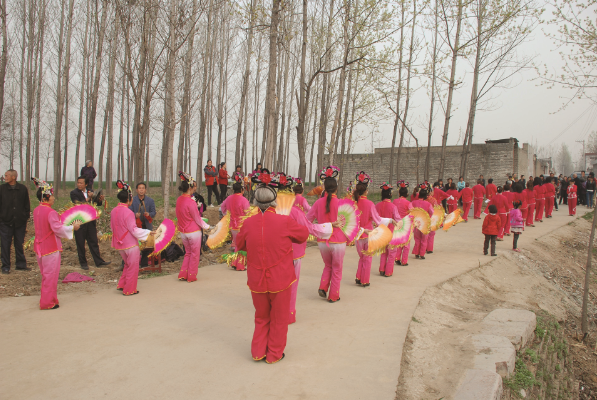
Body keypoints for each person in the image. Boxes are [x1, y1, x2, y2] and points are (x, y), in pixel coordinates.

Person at [236, 175, 309, 364]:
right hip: (280, 278)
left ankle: (258, 351)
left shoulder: (248, 223)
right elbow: (303, 235)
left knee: (261, 316)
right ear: (274, 202)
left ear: (255, 202)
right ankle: (274, 353)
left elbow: (239, 243)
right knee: (279, 318)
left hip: (256, 278)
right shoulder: (284, 222)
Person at [31, 178, 80, 309]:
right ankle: (47, 302)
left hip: (39, 247)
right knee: (50, 276)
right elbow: (57, 229)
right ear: (47, 197)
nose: (53, 197)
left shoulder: (36, 210)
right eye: (52, 195)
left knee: (45, 275)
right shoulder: (51, 212)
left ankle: (50, 299)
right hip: (50, 248)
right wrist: (72, 228)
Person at [307, 166, 346, 303]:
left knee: (328, 265)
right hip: (338, 241)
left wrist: (320, 227)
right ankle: (334, 295)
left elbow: (307, 221)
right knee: (337, 268)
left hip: (323, 241)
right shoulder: (342, 204)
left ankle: (323, 287)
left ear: (324, 187)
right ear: (336, 188)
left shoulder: (317, 203)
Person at [111, 180, 152, 296]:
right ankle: (129, 289)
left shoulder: (114, 211)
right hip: (130, 244)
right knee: (133, 266)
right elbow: (134, 230)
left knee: (127, 264)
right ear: (129, 199)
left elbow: (113, 227)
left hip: (119, 243)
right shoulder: (128, 212)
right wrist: (148, 233)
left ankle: (122, 284)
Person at [176, 171, 212, 282]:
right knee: (195, 254)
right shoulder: (191, 202)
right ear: (190, 187)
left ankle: (183, 273)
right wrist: (207, 227)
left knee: (187, 252)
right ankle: (191, 275)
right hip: (193, 232)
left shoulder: (179, 200)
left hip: (183, 231)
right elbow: (197, 219)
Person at [70, 176, 111, 270]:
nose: (79, 184)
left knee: (93, 241)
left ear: (86, 184)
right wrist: (88, 198)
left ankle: (99, 261)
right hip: (79, 222)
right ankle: (83, 263)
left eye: (81, 183)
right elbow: (78, 204)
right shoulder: (74, 193)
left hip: (90, 221)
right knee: (80, 243)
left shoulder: (90, 191)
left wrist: (99, 199)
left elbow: (97, 204)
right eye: (78, 183)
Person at [0, 170, 30, 274]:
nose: (5, 177)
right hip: (5, 222)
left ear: (13, 177)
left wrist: (25, 216)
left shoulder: (22, 189)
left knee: (19, 243)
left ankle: (21, 265)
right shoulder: (2, 189)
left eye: (7, 175)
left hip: (20, 222)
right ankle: (5, 266)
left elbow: (27, 204)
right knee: (5, 245)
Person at [221, 172, 251, 271]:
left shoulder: (229, 198)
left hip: (232, 226)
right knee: (242, 246)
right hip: (241, 226)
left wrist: (227, 215)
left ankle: (235, 262)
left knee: (238, 245)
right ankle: (240, 265)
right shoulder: (244, 200)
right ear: (242, 190)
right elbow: (248, 213)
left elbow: (222, 207)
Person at [375, 183, 401, 278]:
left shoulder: (377, 205)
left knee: (383, 252)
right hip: (391, 233)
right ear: (390, 194)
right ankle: (388, 271)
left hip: (381, 233)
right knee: (392, 253)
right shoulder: (393, 207)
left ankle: (382, 269)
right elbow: (398, 220)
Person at [411, 185, 435, 260]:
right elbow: (432, 212)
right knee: (424, 239)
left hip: (416, 223)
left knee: (417, 239)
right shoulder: (428, 204)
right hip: (425, 224)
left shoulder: (413, 202)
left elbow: (411, 211)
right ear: (426, 196)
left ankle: (416, 253)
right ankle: (422, 254)